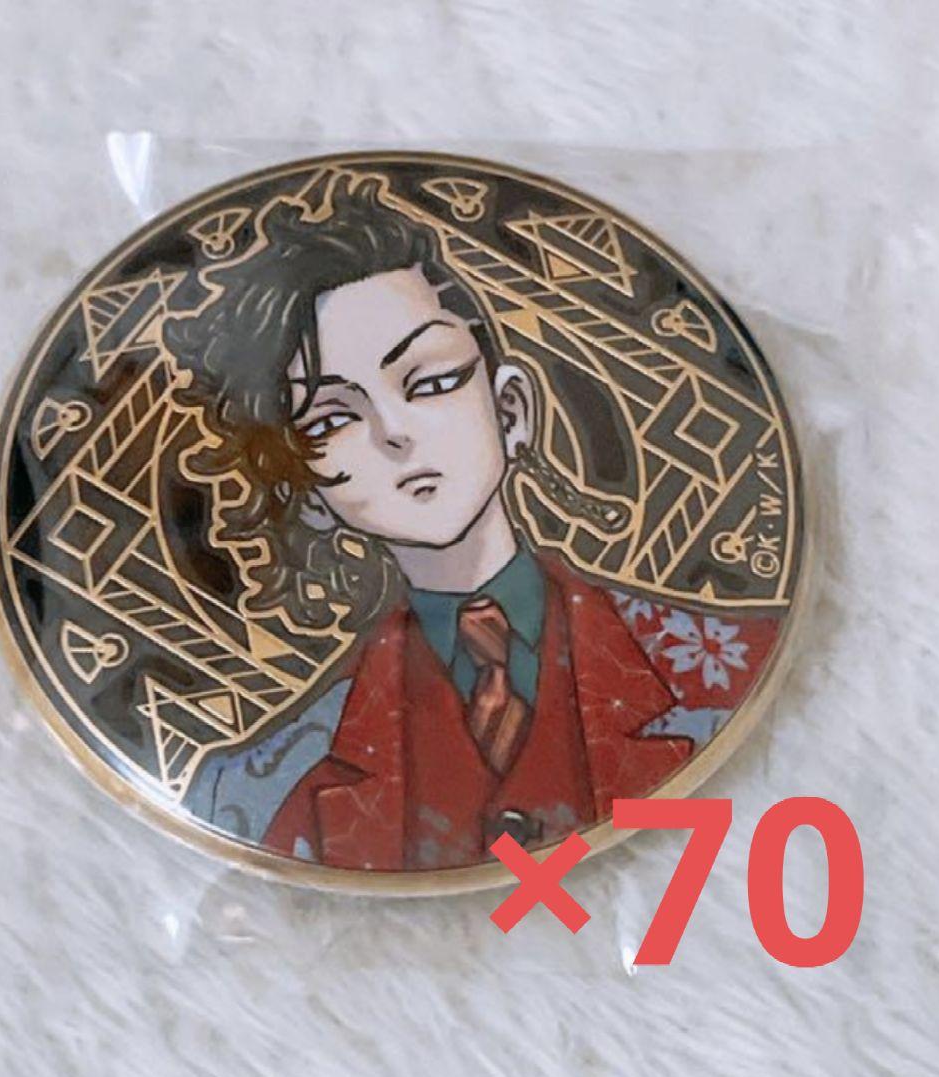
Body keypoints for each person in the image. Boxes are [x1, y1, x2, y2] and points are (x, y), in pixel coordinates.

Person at [168, 171, 773, 871]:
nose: (394, 432)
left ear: (511, 411)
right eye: (332, 419)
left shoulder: (727, 669)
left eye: (429, 382)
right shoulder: (253, 791)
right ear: (306, 491)